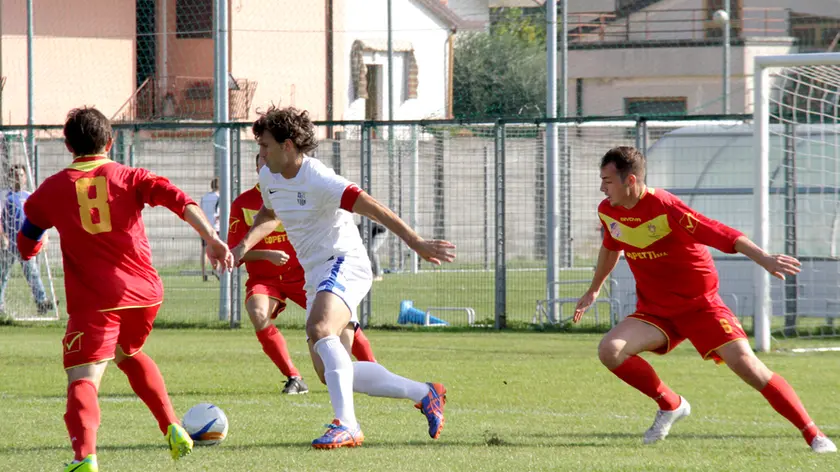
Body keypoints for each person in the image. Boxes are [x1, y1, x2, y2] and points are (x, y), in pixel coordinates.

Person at [574, 146, 836, 454]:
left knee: (749, 367)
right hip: (657, 311)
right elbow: (611, 246)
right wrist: (594, 289)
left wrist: (764, 258)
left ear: (630, 180)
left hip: (701, 306)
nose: (602, 187)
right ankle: (671, 404)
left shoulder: (666, 207)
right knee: (610, 350)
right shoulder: (608, 210)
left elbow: (721, 233)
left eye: (607, 180)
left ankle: (814, 435)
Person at [17, 107, 234, 472]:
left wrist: (37, 245)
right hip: (146, 294)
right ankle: (173, 427)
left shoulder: (50, 189)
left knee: (83, 376)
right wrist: (212, 238)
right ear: (110, 142)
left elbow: (27, 242)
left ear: (68, 144)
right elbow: (181, 201)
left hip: (96, 301)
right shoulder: (131, 176)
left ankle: (84, 457)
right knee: (126, 354)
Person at [230, 106, 455, 449]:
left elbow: (372, 206)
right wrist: (243, 244)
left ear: (288, 146)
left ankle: (347, 424)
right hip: (315, 271)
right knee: (327, 371)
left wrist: (416, 242)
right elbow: (270, 211)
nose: (259, 154)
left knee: (319, 329)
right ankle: (425, 393)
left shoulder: (320, 179)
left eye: (265, 146)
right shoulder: (270, 176)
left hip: (344, 261)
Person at [226, 153, 378, 395]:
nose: (268, 164)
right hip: (265, 279)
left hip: (303, 274)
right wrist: (267, 254)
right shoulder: (244, 203)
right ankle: (293, 377)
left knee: (338, 322)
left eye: (270, 156)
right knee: (257, 311)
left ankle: (374, 369)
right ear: (258, 169)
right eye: (263, 160)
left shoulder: (300, 190)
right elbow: (235, 251)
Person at [0, 164, 54, 315]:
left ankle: (41, 302)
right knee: (2, 275)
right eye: (16, 175)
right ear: (10, 177)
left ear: (25, 178)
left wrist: (44, 236)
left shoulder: (30, 196)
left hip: (25, 243)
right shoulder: (4, 196)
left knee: (33, 273)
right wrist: (2, 236)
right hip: (8, 244)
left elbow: (38, 219)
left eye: (21, 175)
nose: (19, 178)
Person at [200, 177, 220, 281]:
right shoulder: (219, 197)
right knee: (218, 249)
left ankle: (204, 273)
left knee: (204, 250)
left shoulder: (204, 197)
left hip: (204, 226)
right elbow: (220, 213)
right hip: (216, 227)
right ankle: (217, 270)